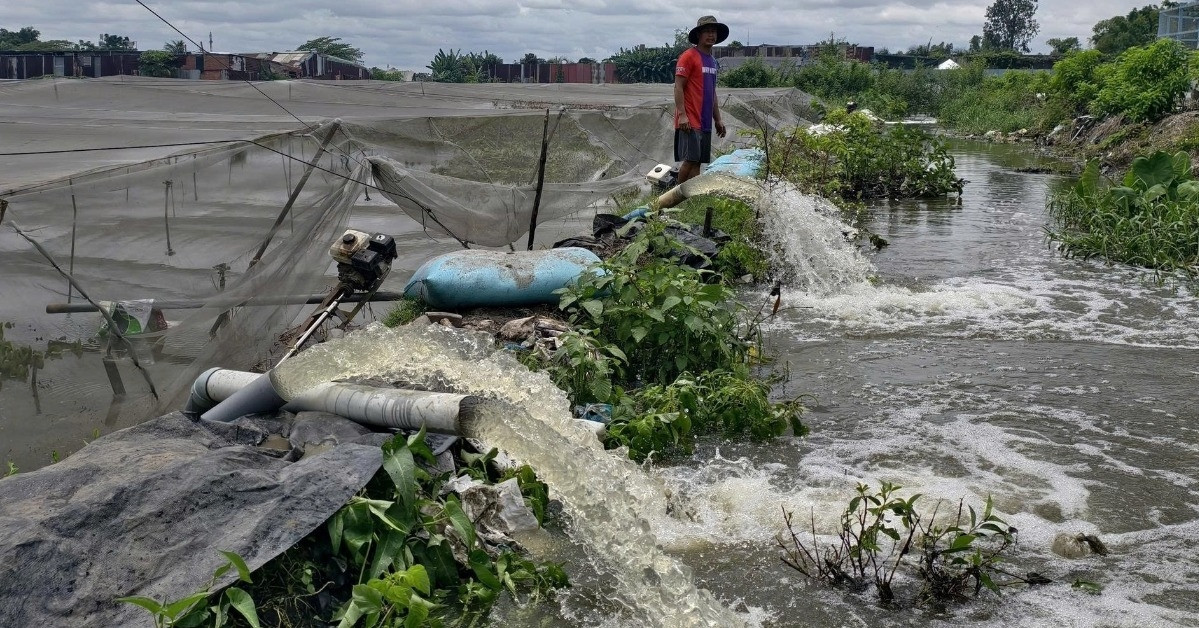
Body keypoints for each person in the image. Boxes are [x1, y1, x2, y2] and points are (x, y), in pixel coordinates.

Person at [674, 15, 729, 184]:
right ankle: (674, 197)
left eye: (713, 32)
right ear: (699, 35)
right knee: (690, 159)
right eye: (707, 31)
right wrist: (682, 115)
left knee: (698, 161)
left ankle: (691, 198)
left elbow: (712, 93)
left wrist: (717, 119)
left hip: (705, 121)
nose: (711, 35)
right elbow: (678, 87)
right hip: (690, 119)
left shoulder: (712, 61)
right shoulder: (688, 56)